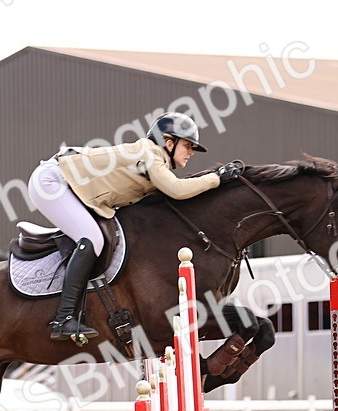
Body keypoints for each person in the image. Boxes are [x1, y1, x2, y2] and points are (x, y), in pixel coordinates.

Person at [27, 112, 243, 341]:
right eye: (188, 145)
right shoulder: (149, 153)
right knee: (92, 239)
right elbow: (178, 190)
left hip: (68, 185)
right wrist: (217, 178)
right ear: (169, 143)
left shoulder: (155, 162)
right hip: (51, 181)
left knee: (97, 237)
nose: (191, 152)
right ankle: (63, 318)